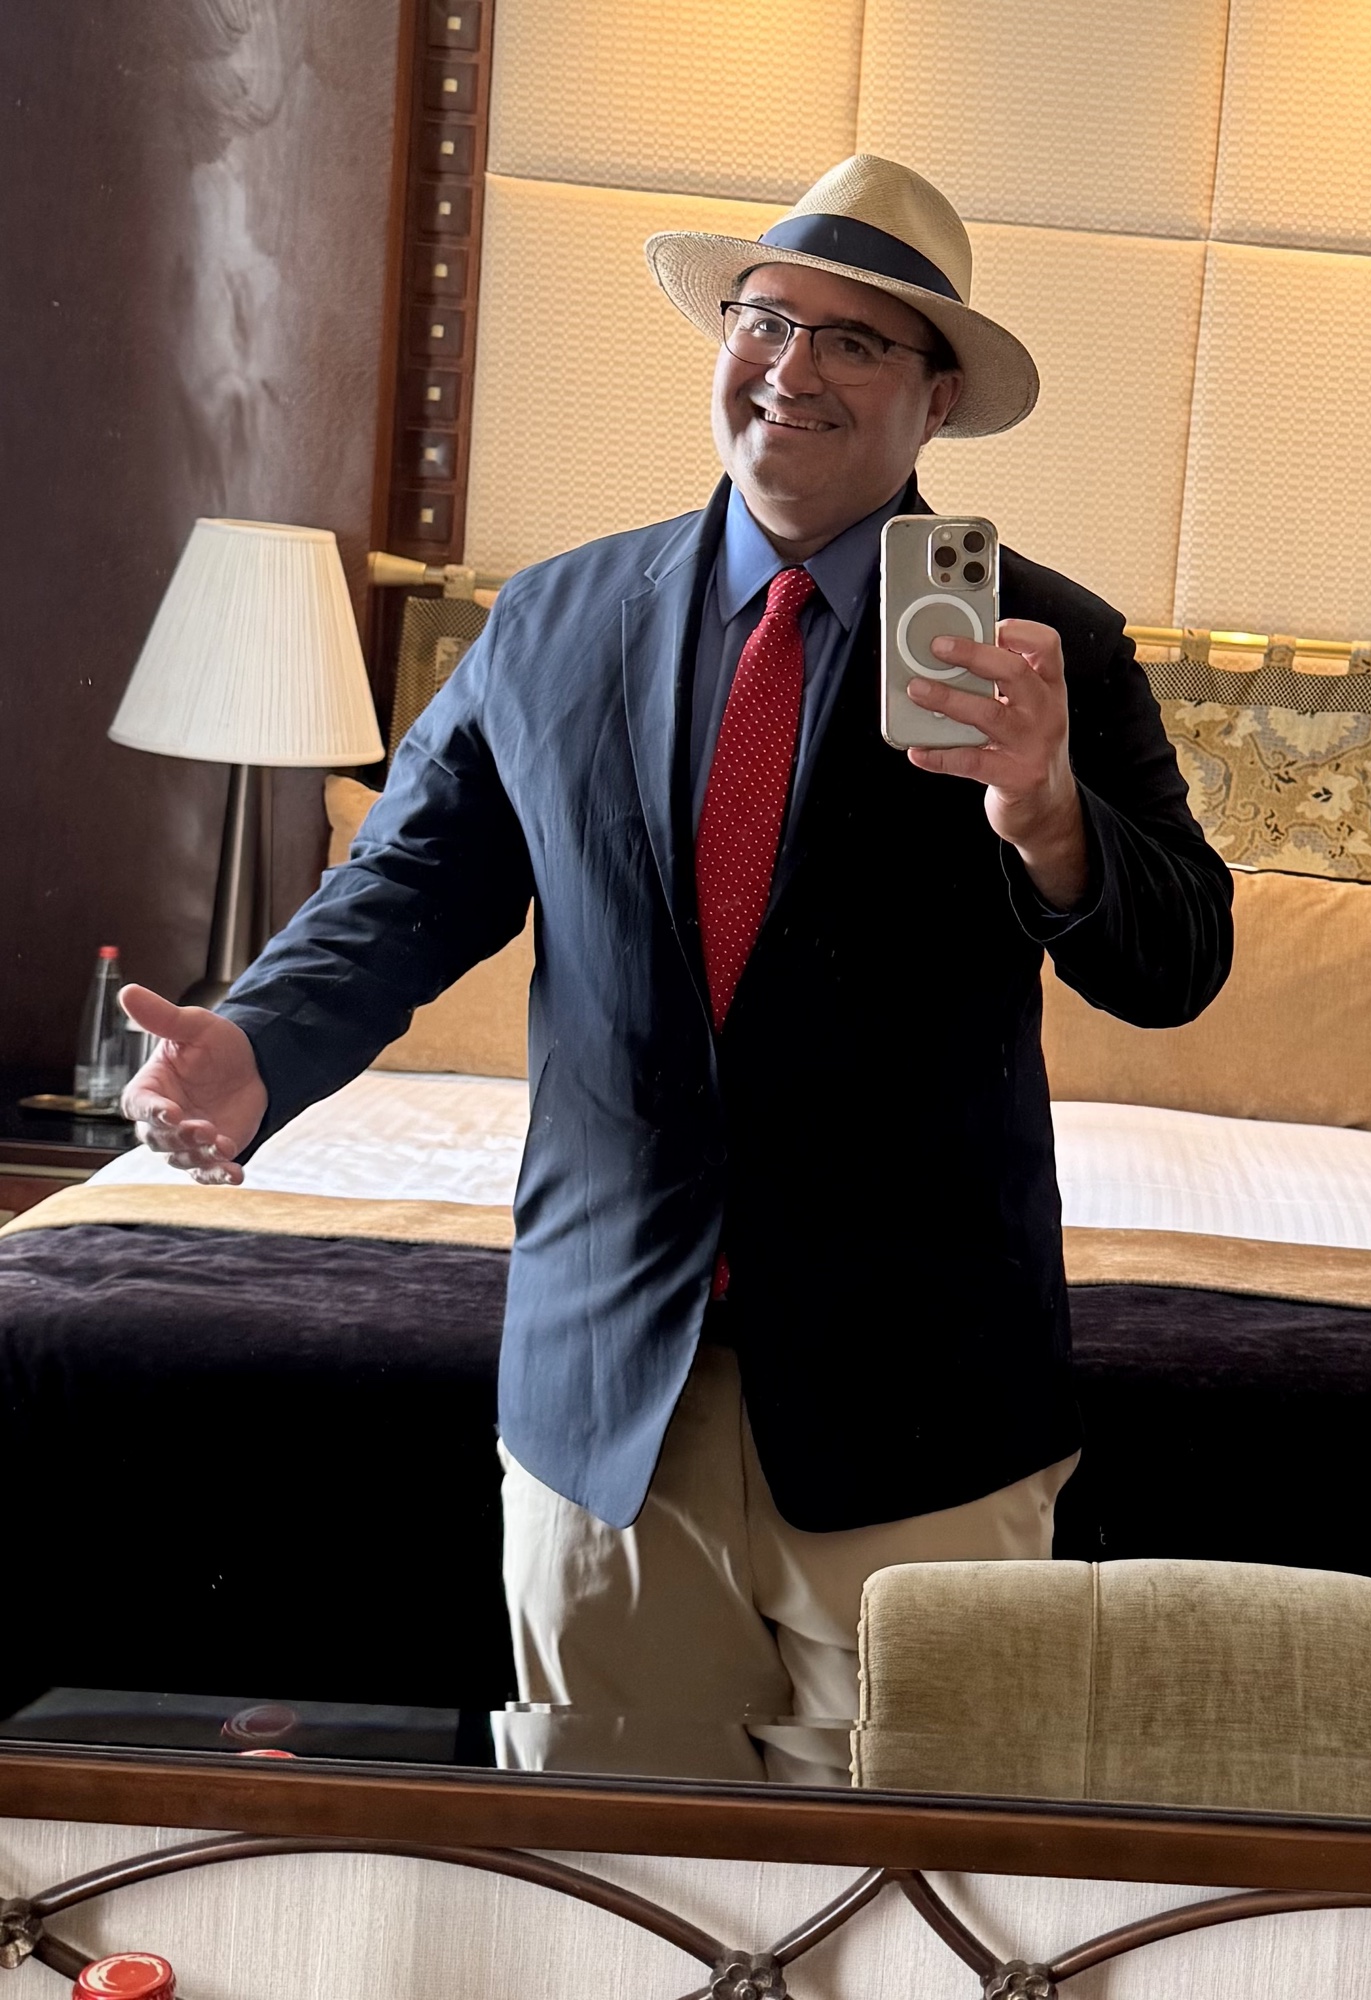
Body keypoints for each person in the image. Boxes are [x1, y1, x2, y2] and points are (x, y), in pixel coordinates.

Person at [119, 155, 1233, 1784]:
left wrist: (1048, 813)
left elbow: (1180, 960)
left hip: (920, 1402)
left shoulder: (1046, 648)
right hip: (606, 1391)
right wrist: (259, 1042)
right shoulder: (552, 622)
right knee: (611, 1867)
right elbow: (411, 885)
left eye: (855, 341)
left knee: (920, 1879)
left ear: (937, 404)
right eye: (764, 321)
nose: (792, 368)